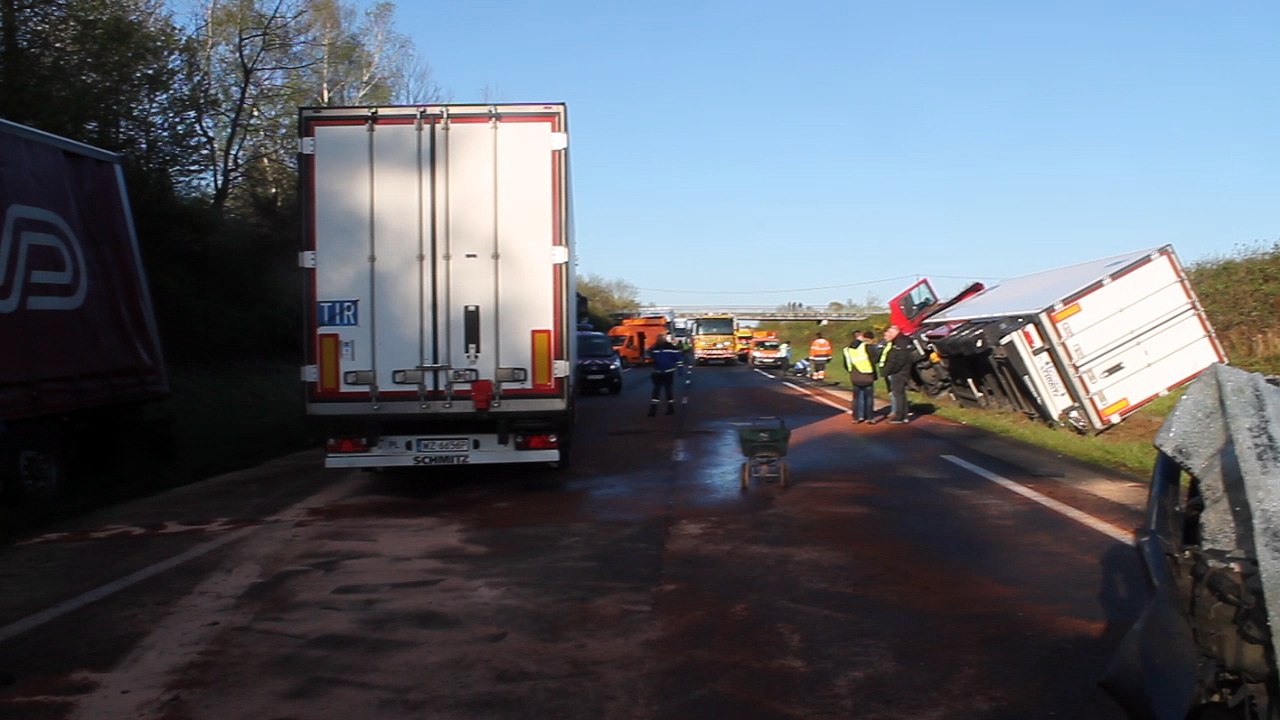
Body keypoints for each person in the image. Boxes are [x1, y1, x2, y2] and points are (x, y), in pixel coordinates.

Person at [876, 324, 912, 423]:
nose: (889, 335)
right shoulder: (900, 341)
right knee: (900, 394)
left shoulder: (900, 342)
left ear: (895, 332)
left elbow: (899, 359)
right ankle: (903, 415)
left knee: (898, 394)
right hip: (899, 371)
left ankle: (899, 416)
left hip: (899, 372)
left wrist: (891, 370)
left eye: (890, 333)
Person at [842, 330, 878, 423]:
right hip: (867, 374)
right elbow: (875, 359)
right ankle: (869, 417)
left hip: (855, 374)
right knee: (869, 397)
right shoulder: (867, 347)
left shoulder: (847, 349)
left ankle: (857, 417)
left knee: (856, 397)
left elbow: (846, 364)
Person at [646, 334, 684, 416]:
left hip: (668, 372)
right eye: (658, 338)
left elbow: (678, 359)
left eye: (660, 339)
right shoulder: (654, 348)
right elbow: (649, 356)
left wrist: (680, 369)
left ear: (664, 339)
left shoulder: (671, 348)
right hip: (658, 372)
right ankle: (653, 410)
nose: (659, 340)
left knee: (668, 391)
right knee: (656, 391)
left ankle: (670, 408)